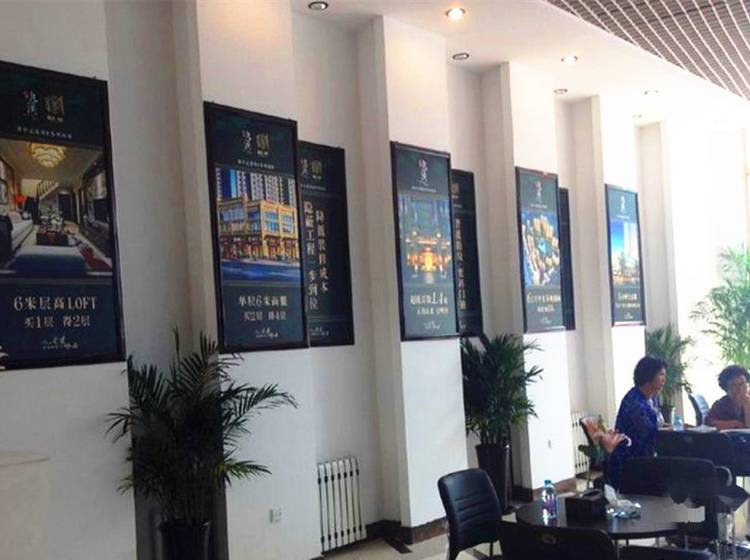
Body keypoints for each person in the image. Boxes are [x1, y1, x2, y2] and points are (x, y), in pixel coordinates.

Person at [607, 356, 667, 489]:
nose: (664, 379)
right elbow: (650, 433)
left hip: (647, 455)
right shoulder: (634, 403)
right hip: (631, 460)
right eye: (661, 374)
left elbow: (658, 425)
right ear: (649, 376)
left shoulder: (652, 399)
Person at [705, 365, 750, 430]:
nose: (739, 389)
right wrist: (734, 424)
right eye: (734, 385)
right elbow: (709, 424)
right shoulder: (720, 405)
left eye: (742, 384)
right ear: (726, 388)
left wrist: (747, 406)